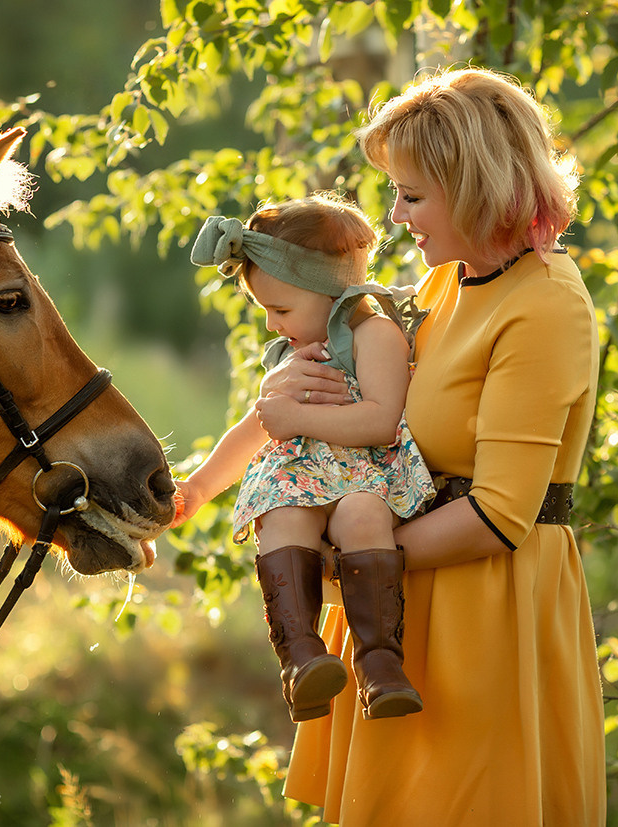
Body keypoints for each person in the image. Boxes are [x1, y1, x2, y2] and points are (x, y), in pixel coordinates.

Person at [266, 68, 607, 825]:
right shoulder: (445, 285)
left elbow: (501, 513)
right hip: (397, 600)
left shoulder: (546, 302)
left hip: (487, 610)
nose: (397, 215)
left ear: (477, 186)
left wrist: (351, 560)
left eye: (413, 195)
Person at [172, 193, 436, 724]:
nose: (271, 325)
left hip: (367, 474)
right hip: (299, 482)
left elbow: (382, 420)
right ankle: (300, 657)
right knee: (283, 517)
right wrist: (198, 488)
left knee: (363, 515)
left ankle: (381, 664)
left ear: (330, 290)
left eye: (280, 309)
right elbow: (254, 428)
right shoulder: (292, 356)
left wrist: (297, 421)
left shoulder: (375, 335)